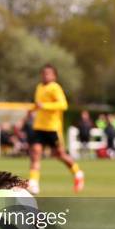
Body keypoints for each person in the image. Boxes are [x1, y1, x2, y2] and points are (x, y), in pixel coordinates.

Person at [28, 64, 84, 194]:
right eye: (44, 73)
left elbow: (63, 105)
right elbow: (38, 105)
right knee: (35, 153)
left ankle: (78, 173)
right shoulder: (39, 87)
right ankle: (34, 183)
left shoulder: (55, 88)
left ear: (54, 76)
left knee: (59, 155)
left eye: (49, 73)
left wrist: (44, 106)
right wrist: (30, 112)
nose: (45, 75)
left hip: (52, 128)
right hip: (39, 127)